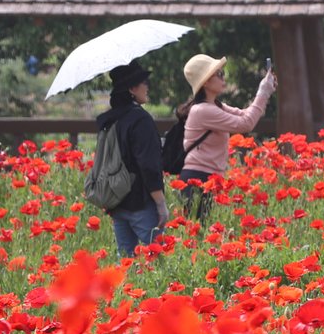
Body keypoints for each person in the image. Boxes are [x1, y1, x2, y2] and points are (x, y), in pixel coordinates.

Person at [175, 54, 276, 220]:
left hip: (207, 178)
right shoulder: (203, 110)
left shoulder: (215, 105)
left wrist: (266, 91)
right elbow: (246, 123)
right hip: (198, 180)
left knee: (204, 233)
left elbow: (245, 114)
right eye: (219, 73)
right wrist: (262, 92)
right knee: (199, 235)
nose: (223, 77)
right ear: (206, 81)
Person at [99, 59, 168, 257]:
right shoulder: (140, 120)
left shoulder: (111, 119)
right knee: (158, 261)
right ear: (132, 88)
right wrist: (161, 204)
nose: (147, 86)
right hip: (141, 202)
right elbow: (148, 165)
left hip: (117, 201)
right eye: (144, 82)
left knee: (126, 264)